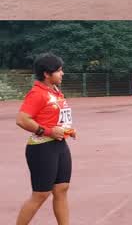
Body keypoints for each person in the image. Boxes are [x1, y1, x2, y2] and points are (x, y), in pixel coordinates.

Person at [15, 53, 76, 225]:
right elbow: (22, 119)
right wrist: (48, 131)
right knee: (41, 194)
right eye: (58, 71)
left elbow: (54, 117)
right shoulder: (37, 94)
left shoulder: (55, 92)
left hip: (60, 145)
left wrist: (67, 129)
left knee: (62, 189)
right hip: (42, 148)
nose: (62, 73)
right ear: (46, 74)